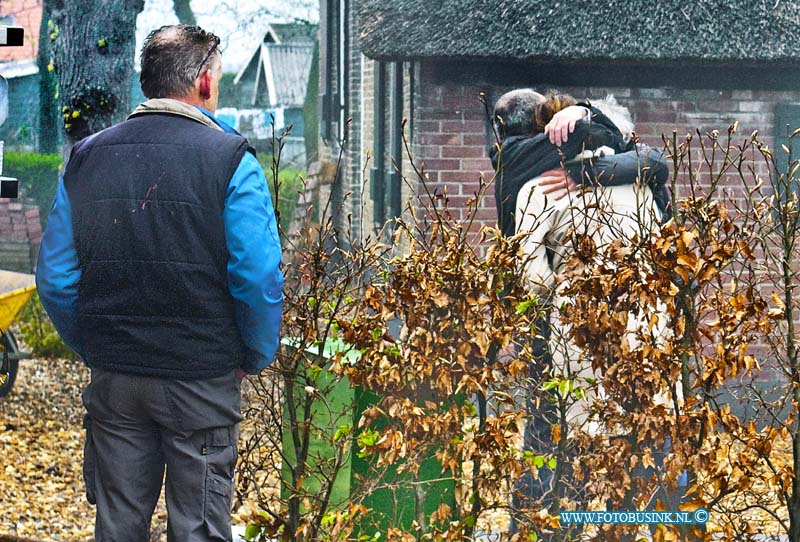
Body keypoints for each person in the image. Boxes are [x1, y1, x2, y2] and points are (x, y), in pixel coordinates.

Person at [35, 24, 284, 541]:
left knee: (118, 524)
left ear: (147, 82)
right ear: (205, 82)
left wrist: (98, 346)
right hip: (202, 378)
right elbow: (257, 276)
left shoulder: (85, 159)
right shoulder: (231, 162)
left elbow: (56, 278)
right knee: (197, 528)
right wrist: (253, 354)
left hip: (116, 381)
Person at [490, 88, 669, 526]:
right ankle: (625, 527)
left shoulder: (536, 187)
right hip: (645, 318)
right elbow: (664, 234)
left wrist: (556, 301)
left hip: (580, 327)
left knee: (578, 433)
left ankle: (555, 526)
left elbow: (530, 273)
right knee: (641, 429)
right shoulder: (636, 175)